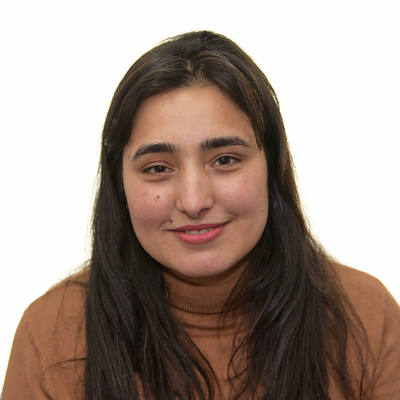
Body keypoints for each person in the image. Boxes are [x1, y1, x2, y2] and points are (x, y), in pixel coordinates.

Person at [2, 31, 400, 400]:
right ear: (119, 184)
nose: (193, 202)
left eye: (225, 160)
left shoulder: (367, 315)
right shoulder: (51, 335)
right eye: (158, 168)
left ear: (272, 166)